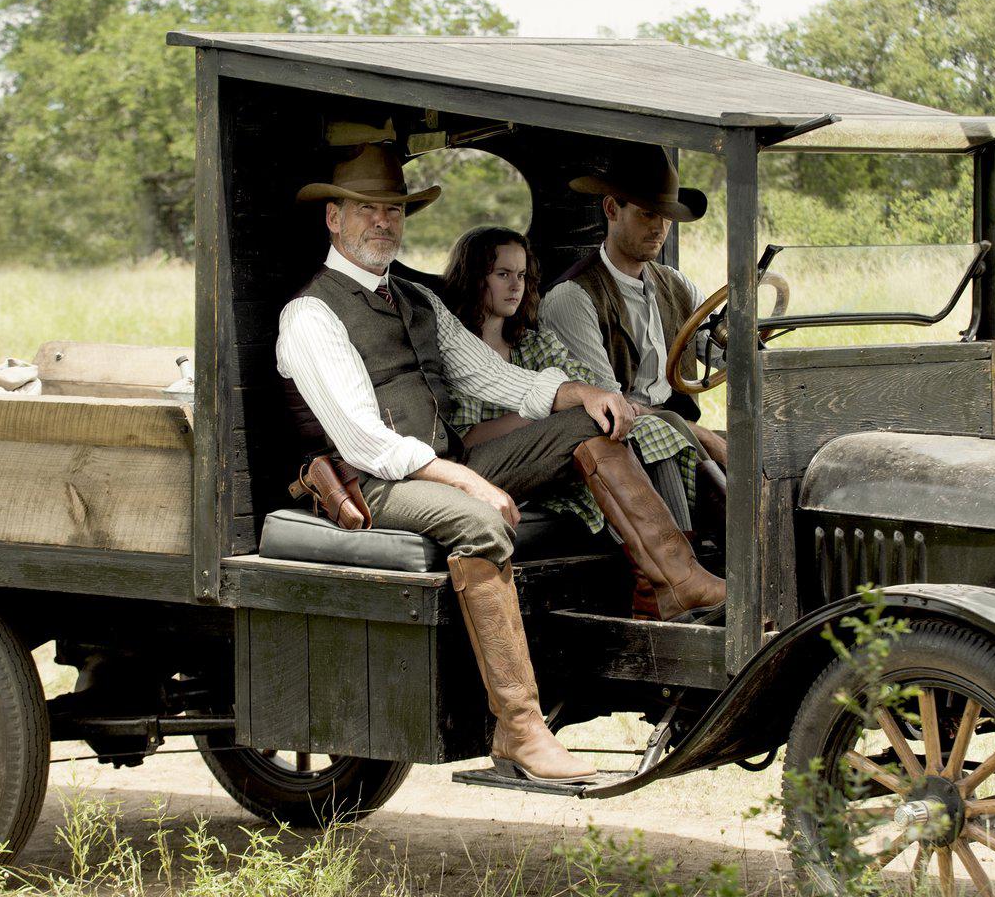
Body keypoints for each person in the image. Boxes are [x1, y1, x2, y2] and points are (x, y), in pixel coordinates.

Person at [276, 145, 725, 783]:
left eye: (394, 210)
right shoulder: (312, 314)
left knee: (584, 423)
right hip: (373, 483)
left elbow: (493, 376)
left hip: (442, 464)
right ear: (334, 219)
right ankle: (519, 727)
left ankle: (677, 579)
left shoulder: (414, 299)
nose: (384, 222)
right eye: (368, 210)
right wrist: (465, 477)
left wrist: (583, 394)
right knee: (481, 524)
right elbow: (366, 444)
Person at [437, 224, 704, 543]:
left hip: (560, 460)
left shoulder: (534, 345)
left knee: (651, 428)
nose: (515, 286)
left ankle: (689, 552)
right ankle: (680, 564)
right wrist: (552, 415)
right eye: (503, 274)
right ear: (475, 277)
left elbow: (595, 391)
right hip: (498, 467)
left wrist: (579, 405)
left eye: (521, 275)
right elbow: (463, 439)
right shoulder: (455, 352)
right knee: (604, 427)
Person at [540, 145, 729, 469]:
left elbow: (723, 354)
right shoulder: (572, 299)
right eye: (647, 213)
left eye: (666, 216)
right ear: (612, 209)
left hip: (676, 430)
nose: (660, 228)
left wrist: (747, 342)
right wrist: (705, 438)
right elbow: (609, 405)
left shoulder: (676, 286)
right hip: (611, 444)